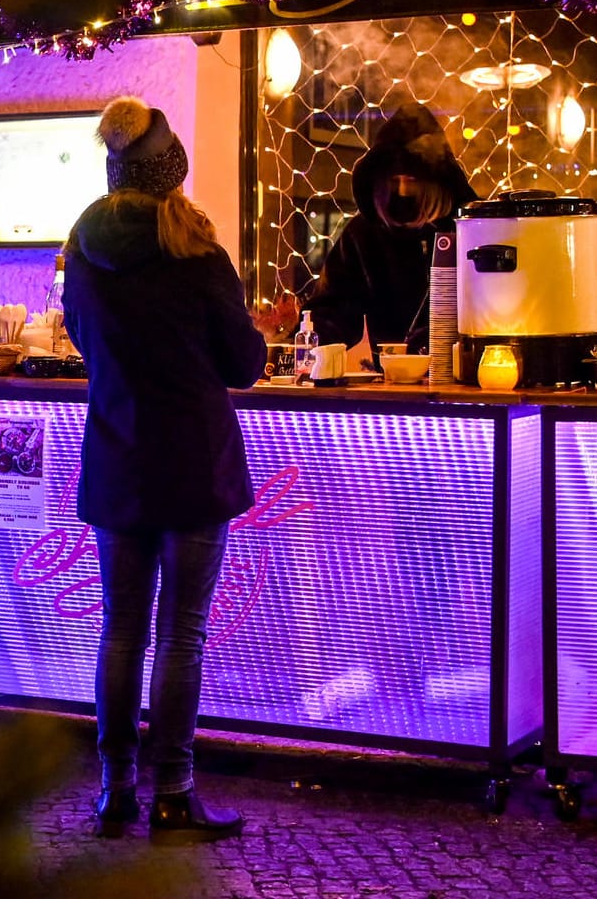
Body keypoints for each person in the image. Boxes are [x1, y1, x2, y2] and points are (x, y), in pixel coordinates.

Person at [62, 96, 266, 842]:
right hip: (194, 467)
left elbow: (86, 344)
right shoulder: (199, 253)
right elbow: (242, 365)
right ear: (172, 168)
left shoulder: (82, 254)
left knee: (121, 630)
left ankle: (115, 791)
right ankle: (174, 794)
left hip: (118, 459)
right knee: (183, 633)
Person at [305, 102, 478, 352]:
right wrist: (304, 345)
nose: (403, 191)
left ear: (434, 182)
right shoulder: (363, 234)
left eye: (412, 181)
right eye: (394, 181)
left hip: (468, 376)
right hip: (394, 377)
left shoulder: (468, 230)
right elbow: (333, 311)